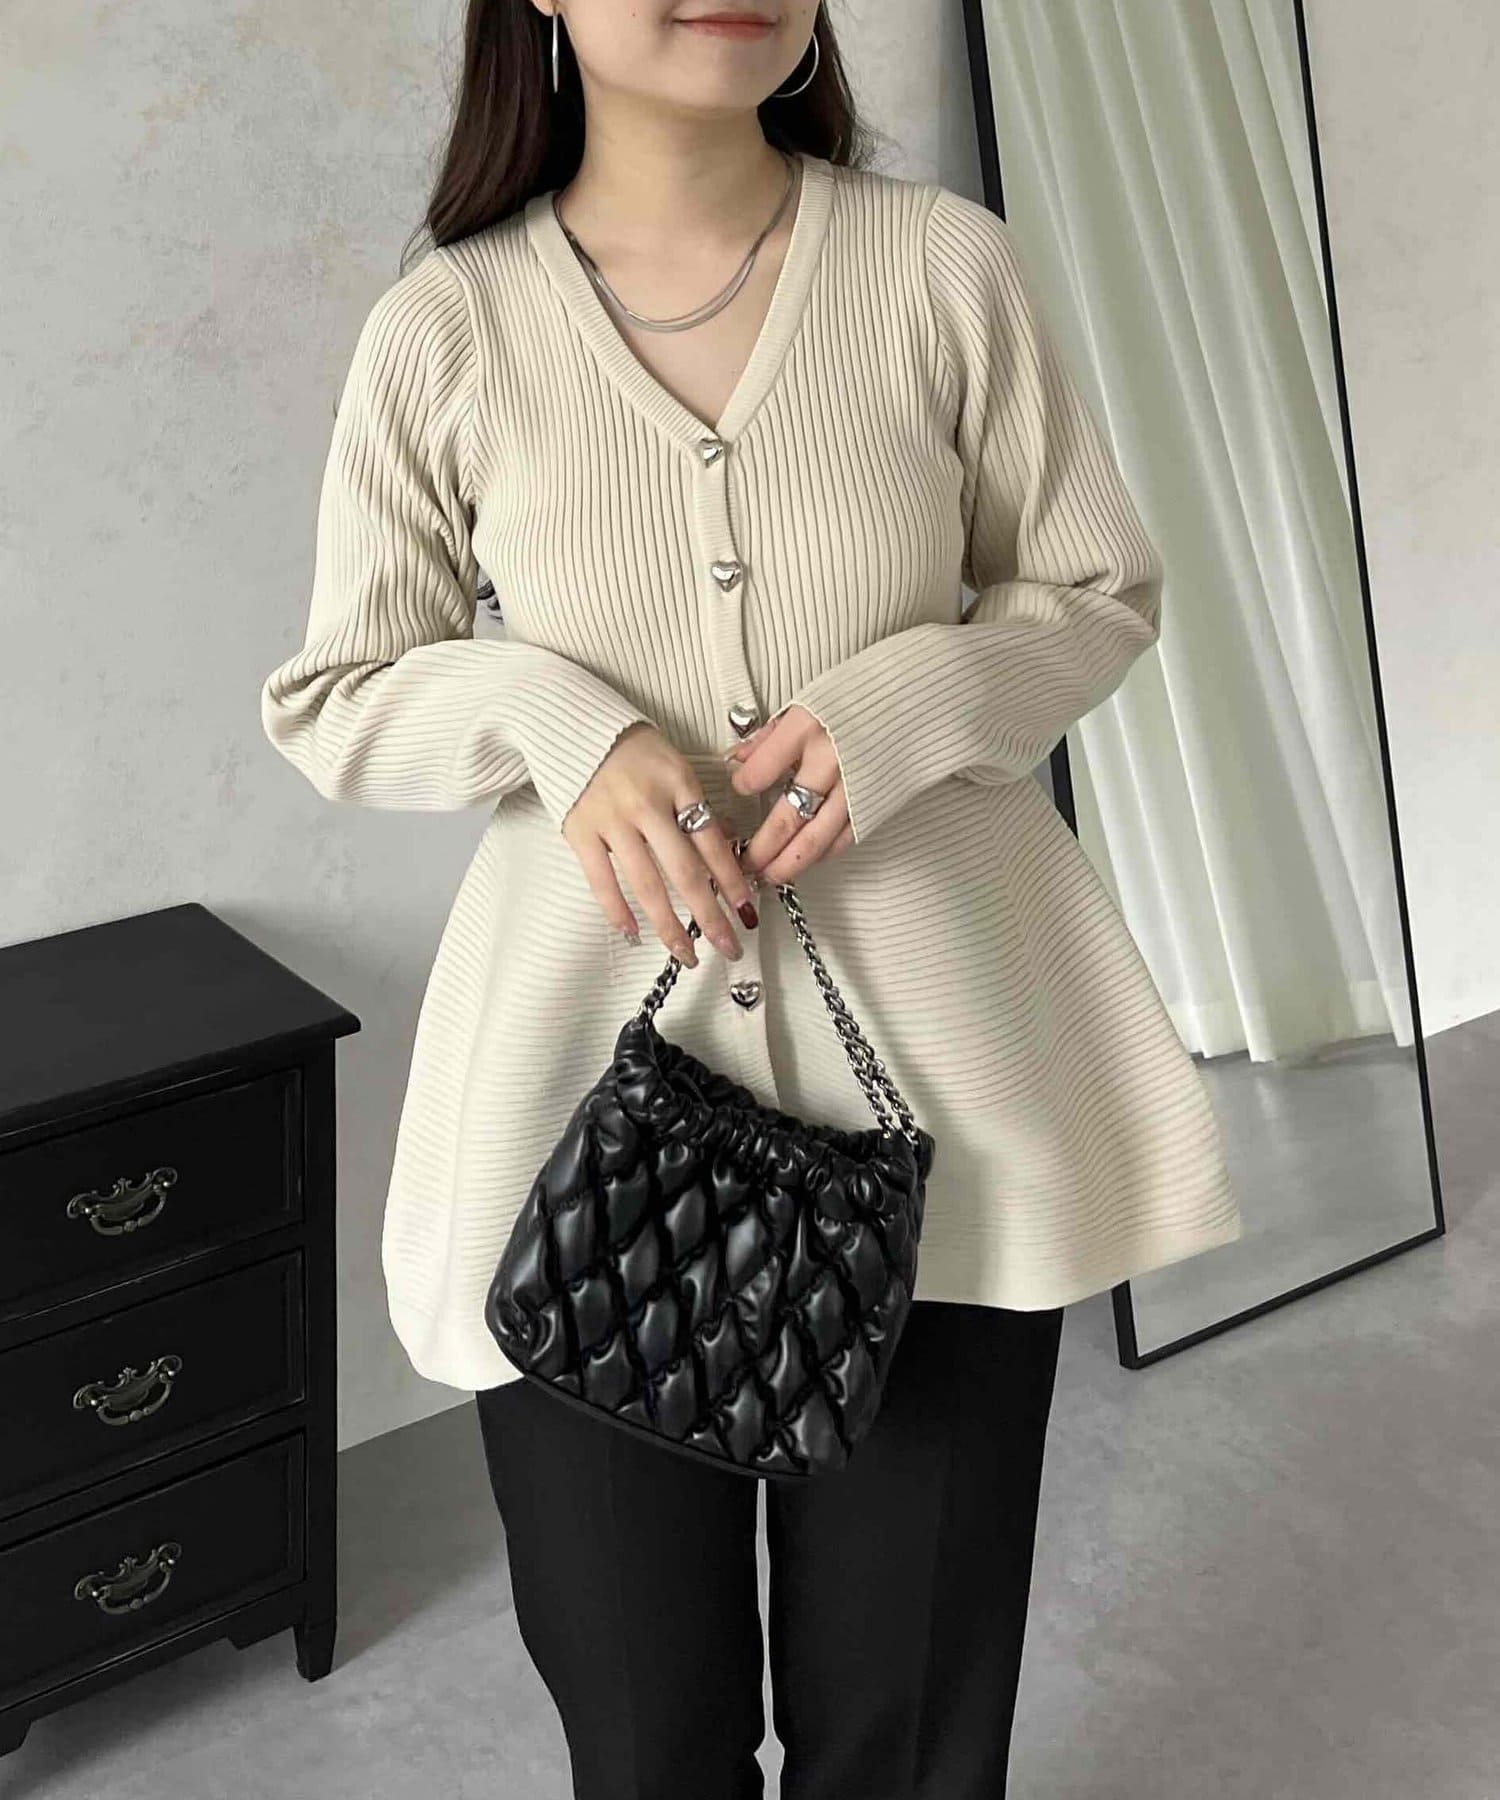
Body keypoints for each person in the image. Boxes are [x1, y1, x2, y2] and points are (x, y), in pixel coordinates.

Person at [260, 2, 1243, 1793]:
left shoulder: (943, 269)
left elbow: (1093, 590)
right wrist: (554, 722)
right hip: (575, 1134)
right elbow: (338, 698)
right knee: (650, 1744)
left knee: (912, 1737)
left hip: (951, 1111)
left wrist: (912, 702)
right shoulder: (448, 329)